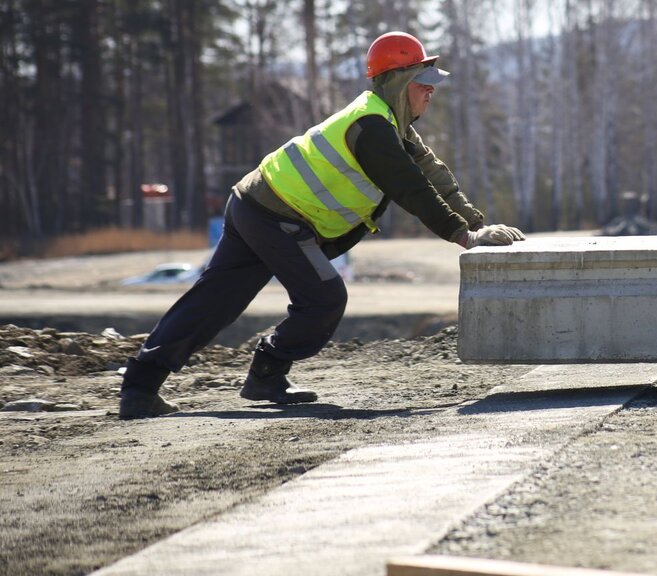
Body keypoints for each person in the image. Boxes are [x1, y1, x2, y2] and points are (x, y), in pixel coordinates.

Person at [118, 31, 524, 419]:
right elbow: (413, 190)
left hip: (254, 203)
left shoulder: (392, 125)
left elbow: (435, 175)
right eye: (423, 83)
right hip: (273, 214)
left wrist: (478, 224)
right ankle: (265, 372)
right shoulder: (372, 128)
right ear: (399, 82)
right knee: (324, 298)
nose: (430, 92)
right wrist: (466, 238)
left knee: (215, 299)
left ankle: (141, 387)